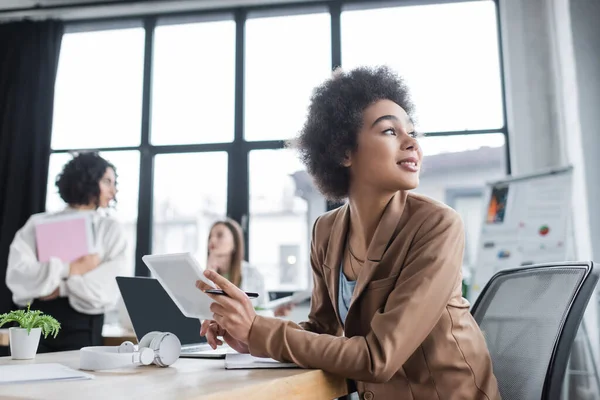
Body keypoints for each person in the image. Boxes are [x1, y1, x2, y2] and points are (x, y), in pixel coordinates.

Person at [196, 66, 500, 399]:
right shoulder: (326, 231)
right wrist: (247, 336)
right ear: (344, 151)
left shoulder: (437, 225)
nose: (412, 142)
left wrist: (260, 331)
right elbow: (321, 330)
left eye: (412, 132)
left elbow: (377, 357)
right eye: (389, 131)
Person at [5, 152, 127, 352]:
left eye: (114, 183)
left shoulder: (110, 228)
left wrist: (60, 288)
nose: (113, 191)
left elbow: (109, 286)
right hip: (32, 324)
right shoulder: (37, 223)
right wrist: (72, 268)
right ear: (86, 179)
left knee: (78, 381)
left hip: (82, 326)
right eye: (107, 181)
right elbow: (18, 275)